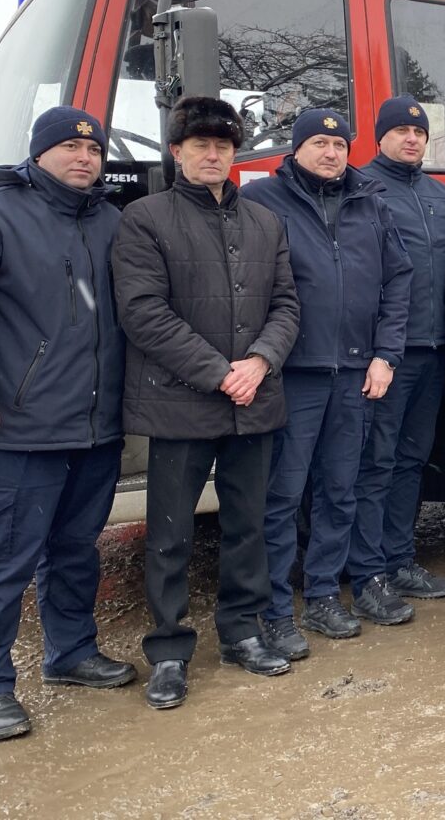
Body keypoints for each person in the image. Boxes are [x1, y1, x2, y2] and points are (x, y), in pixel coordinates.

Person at [0, 108, 136, 741]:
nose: (83, 158)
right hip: (12, 428)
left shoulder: (111, 221)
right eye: (68, 146)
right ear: (39, 154)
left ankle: (71, 654)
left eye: (92, 150)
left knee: (74, 552)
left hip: (93, 428)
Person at [112, 96, 300, 709]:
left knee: (247, 527)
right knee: (170, 534)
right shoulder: (144, 219)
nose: (213, 154)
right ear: (177, 152)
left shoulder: (266, 223)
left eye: (223, 145)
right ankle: (169, 650)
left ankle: (242, 632)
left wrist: (261, 361)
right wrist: (222, 373)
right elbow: (144, 313)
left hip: (254, 402)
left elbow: (287, 306)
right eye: (201, 145)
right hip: (179, 405)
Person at [241, 108, 411, 657]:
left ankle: (321, 597)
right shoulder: (264, 202)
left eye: (339, 145)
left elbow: (397, 282)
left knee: (340, 491)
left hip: (356, 373)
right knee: (283, 495)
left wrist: (386, 355)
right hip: (293, 373)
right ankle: (272, 610)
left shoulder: (370, 202)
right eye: (319, 143)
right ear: (296, 149)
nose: (331, 153)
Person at [354, 96, 445, 606]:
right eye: (400, 131)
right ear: (380, 137)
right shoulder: (360, 190)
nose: (411, 138)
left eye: (418, 131)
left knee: (412, 459)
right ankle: (370, 568)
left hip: (433, 350)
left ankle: (400, 560)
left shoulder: (442, 196)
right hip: (385, 355)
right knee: (376, 460)